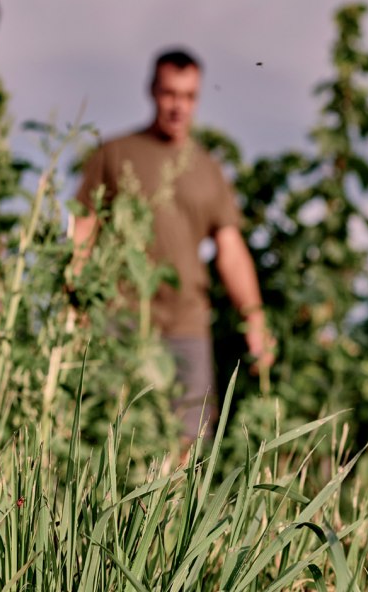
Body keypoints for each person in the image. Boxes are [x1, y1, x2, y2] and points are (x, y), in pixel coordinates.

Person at [72, 49, 275, 443]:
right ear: (152, 91)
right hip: (122, 318)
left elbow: (230, 248)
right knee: (114, 437)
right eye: (169, 94)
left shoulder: (208, 168)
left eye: (189, 96)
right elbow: (84, 229)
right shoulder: (115, 154)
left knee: (190, 441)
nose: (178, 106)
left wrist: (254, 317)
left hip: (187, 323)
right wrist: (76, 305)